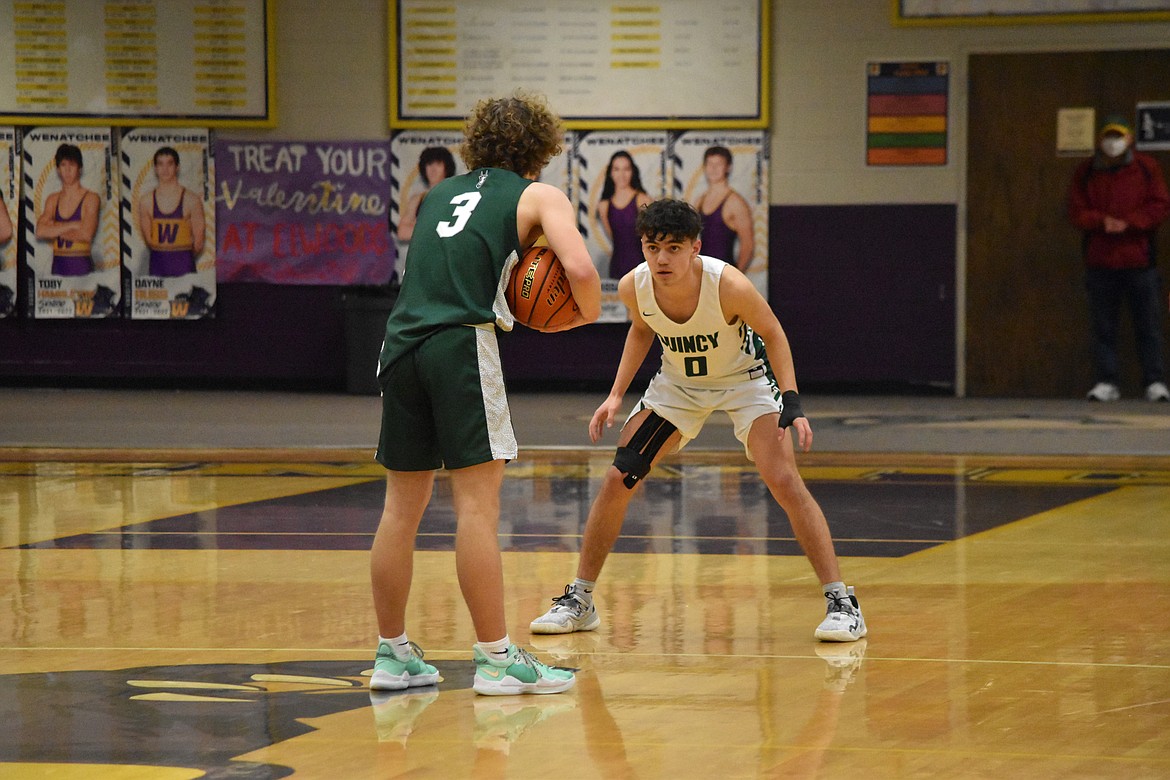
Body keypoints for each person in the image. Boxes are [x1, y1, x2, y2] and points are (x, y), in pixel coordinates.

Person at [531, 199, 866, 643]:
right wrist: (615, 395)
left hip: (745, 380)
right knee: (619, 476)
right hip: (679, 386)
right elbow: (641, 329)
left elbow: (774, 333)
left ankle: (842, 602)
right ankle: (581, 599)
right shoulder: (635, 286)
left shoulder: (728, 284)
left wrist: (791, 399)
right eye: (652, 247)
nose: (661, 259)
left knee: (784, 480)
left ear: (695, 248)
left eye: (673, 248)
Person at [369, 92, 602, 697]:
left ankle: (393, 655)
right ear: (541, 147)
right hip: (459, 347)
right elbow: (577, 269)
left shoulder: (438, 195)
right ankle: (497, 660)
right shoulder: (538, 195)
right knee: (476, 506)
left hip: (398, 345)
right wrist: (586, 317)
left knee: (400, 508)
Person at [1069, 115, 1170, 403]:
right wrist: (1102, 222)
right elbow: (1076, 209)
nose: (1112, 143)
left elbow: (1160, 204)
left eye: (1118, 136)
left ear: (1129, 140)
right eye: (1108, 137)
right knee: (1103, 326)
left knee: (1148, 325)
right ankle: (1107, 381)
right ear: (1100, 141)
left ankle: (1154, 381)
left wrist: (1131, 222)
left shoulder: (1147, 168)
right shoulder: (1087, 171)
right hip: (1100, 262)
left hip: (1140, 261)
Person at [138, 147, 205, 277]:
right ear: (155, 168)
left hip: (185, 270)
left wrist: (180, 256)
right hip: (158, 270)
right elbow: (149, 241)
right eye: (160, 164)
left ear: (177, 167)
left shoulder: (191, 200)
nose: (165, 169)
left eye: (170, 163)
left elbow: (199, 242)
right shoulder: (145, 201)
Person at [35, 143, 99, 277]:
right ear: (58, 169)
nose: (68, 170)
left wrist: (54, 228)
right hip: (58, 270)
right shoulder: (52, 200)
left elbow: (86, 235)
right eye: (63, 165)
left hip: (83, 270)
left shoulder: (91, 198)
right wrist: (73, 225)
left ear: (80, 168)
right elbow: (40, 231)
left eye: (72, 165)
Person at [690, 145, 755, 272]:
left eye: (719, 164)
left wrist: (736, 275)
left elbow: (748, 244)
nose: (713, 169)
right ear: (705, 167)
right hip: (702, 274)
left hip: (725, 275)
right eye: (710, 164)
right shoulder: (699, 200)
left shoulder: (735, 203)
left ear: (728, 167)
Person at [596, 150, 652, 279]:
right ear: (610, 173)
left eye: (626, 169)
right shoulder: (603, 205)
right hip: (616, 267)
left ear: (633, 172)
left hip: (641, 267)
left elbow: (650, 236)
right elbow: (613, 237)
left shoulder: (642, 200)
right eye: (616, 169)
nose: (621, 174)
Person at [396, 146, 457, 243]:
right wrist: (435, 230)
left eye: (438, 164)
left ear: (447, 167)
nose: (433, 169)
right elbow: (402, 232)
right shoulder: (417, 199)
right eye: (429, 164)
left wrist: (419, 227)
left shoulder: (456, 196)